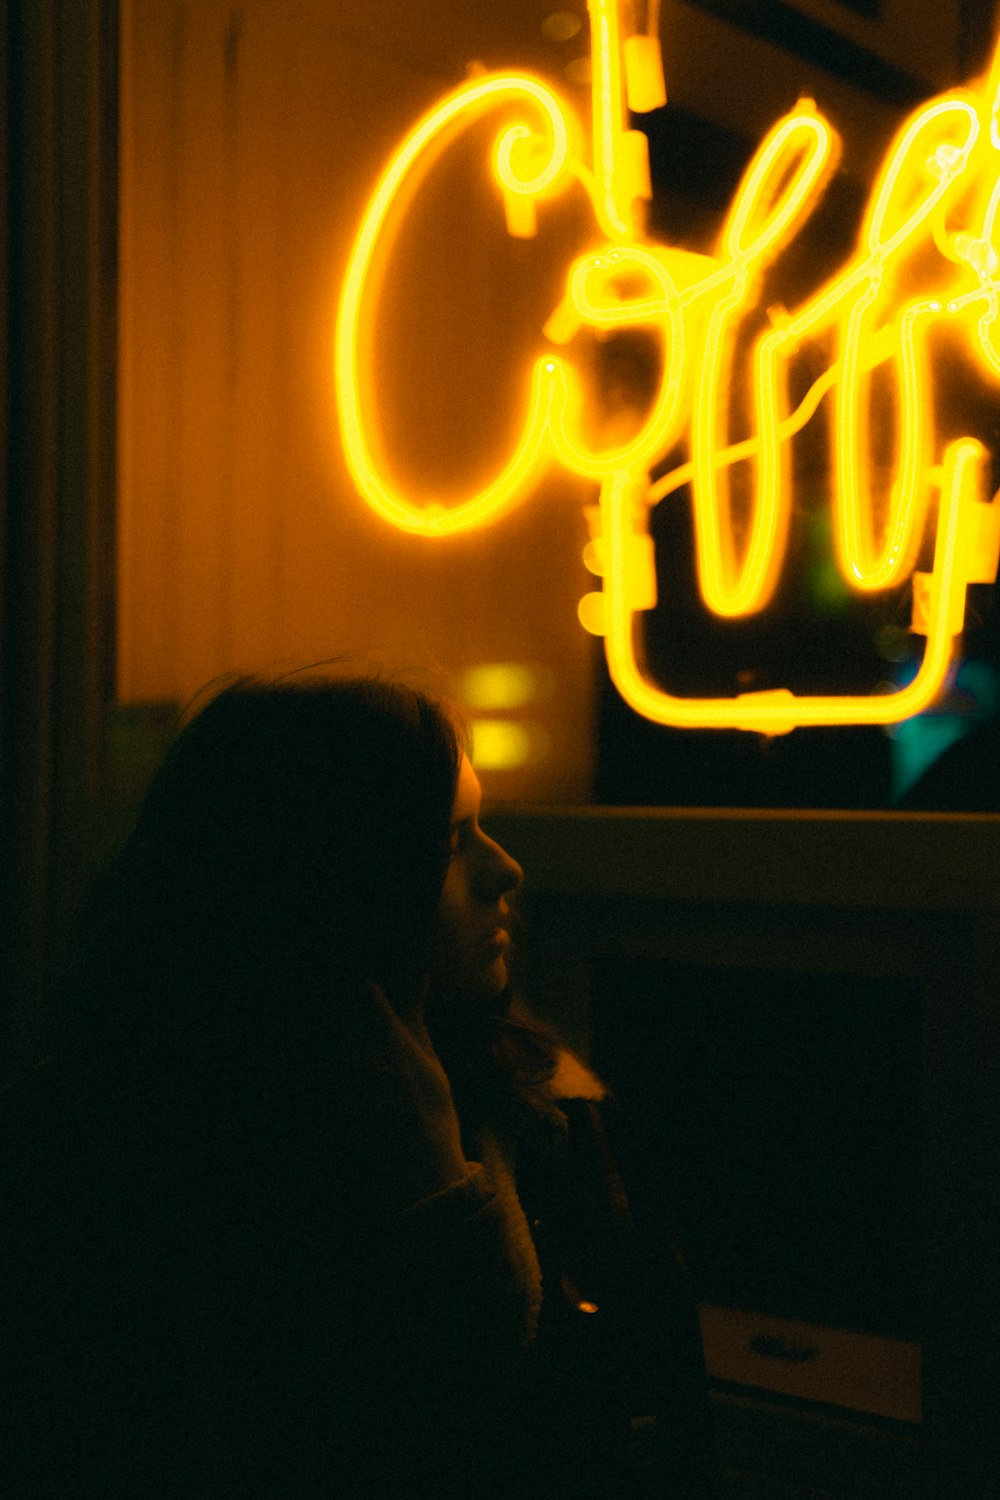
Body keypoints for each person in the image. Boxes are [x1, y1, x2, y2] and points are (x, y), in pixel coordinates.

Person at [0, 672, 717, 1499]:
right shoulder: (96, 1164)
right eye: (452, 842)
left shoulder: (550, 1125)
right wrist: (439, 1209)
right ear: (328, 883)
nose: (506, 870)